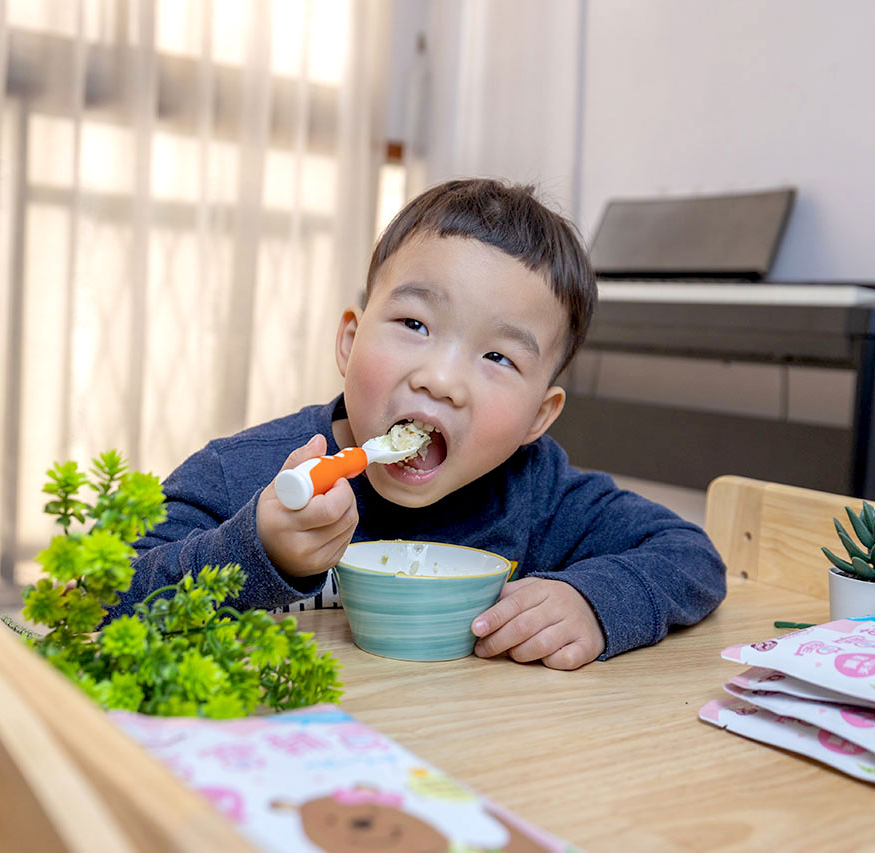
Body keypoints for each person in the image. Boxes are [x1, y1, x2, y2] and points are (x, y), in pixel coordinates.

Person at [112, 178, 726, 670]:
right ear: (350, 342)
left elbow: (690, 555)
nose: (442, 380)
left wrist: (594, 602)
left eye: (497, 358)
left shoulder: (538, 493)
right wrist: (258, 549)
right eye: (415, 325)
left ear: (539, 417)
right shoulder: (240, 472)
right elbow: (103, 598)